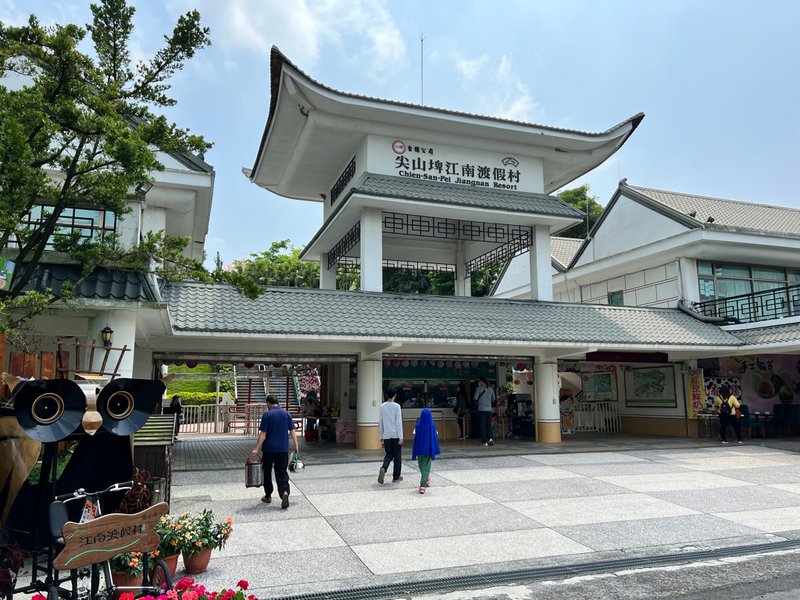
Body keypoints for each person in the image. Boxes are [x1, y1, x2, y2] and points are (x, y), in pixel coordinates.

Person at [252, 395, 300, 509]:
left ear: (268, 403)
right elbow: (293, 431)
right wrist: (296, 447)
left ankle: (268, 496)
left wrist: (256, 448)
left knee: (267, 472)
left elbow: (263, 434)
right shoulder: (286, 414)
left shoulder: (267, 415)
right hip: (283, 449)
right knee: (282, 472)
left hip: (269, 449)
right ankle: (284, 492)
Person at [378, 386, 403, 484]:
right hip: (396, 434)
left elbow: (380, 422)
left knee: (388, 454)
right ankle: (396, 477)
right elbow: (398, 422)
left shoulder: (382, 406)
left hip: (386, 435)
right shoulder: (397, 406)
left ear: (387, 395)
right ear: (395, 395)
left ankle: (384, 467)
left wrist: (381, 436)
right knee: (397, 456)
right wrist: (401, 436)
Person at [412, 407, 441, 494]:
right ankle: (426, 477)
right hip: (428, 449)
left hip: (420, 449)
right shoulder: (432, 425)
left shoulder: (418, 425)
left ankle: (422, 484)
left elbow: (414, 434)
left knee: (422, 466)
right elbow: (436, 434)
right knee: (424, 466)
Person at [473, 377, 495, 446]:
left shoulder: (478, 388)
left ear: (482, 382)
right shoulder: (491, 389)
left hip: (481, 410)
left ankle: (484, 441)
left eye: (479, 382)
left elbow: (475, 398)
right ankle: (491, 439)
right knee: (488, 425)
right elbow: (493, 399)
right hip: (489, 410)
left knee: (482, 426)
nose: (479, 383)